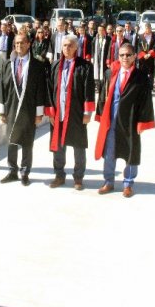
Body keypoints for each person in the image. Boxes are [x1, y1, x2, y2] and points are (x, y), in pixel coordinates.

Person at [94, 43, 155, 198]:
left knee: (131, 150)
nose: (125, 58)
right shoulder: (110, 73)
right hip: (112, 119)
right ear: (118, 57)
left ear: (134, 56)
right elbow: (103, 95)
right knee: (109, 151)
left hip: (131, 120)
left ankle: (128, 183)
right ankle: (108, 181)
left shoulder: (141, 77)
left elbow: (145, 101)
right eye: (122, 55)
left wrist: (143, 122)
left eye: (128, 55)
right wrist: (100, 115)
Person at [0, 33, 47, 186]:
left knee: (27, 141)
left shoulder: (37, 65)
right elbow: (2, 89)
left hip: (29, 108)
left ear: (29, 44)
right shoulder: (7, 63)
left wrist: (39, 114)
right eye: (16, 43)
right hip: (11, 107)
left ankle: (24, 172)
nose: (19, 46)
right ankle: (12, 170)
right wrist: (2, 111)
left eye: (22, 43)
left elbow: (40, 90)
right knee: (11, 140)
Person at [45, 34, 96, 190]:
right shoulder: (54, 66)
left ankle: (78, 178)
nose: (66, 48)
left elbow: (89, 91)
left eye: (70, 45)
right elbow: (49, 90)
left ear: (76, 48)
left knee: (78, 146)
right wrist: (50, 112)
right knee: (58, 146)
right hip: (58, 114)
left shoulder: (85, 66)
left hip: (76, 114)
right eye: (64, 45)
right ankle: (59, 175)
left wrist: (88, 113)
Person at [137, 22, 155, 89]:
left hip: (150, 56)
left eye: (149, 28)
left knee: (151, 71)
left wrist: (150, 54)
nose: (147, 29)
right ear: (144, 28)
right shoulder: (141, 36)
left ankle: (150, 85)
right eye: (146, 28)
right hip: (143, 57)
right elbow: (139, 47)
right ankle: (142, 85)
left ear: (150, 28)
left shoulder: (154, 36)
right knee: (142, 71)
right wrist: (144, 55)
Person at [92, 25, 110, 92]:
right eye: (99, 30)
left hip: (104, 58)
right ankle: (97, 85)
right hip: (97, 57)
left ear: (104, 31)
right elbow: (93, 48)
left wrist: (108, 59)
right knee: (96, 70)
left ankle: (102, 86)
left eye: (102, 30)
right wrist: (92, 57)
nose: (101, 32)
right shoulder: (95, 39)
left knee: (103, 71)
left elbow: (109, 50)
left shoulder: (108, 39)